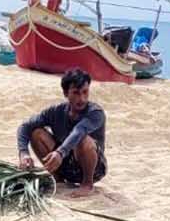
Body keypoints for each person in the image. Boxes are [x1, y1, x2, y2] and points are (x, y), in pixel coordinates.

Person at [15, 68, 106, 197]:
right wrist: (23, 153)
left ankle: (87, 184)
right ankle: (57, 179)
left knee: (83, 139)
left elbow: (78, 131)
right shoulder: (56, 111)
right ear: (65, 93)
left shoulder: (95, 112)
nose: (82, 98)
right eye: (76, 93)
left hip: (93, 168)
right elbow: (25, 126)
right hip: (64, 164)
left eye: (85, 92)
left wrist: (59, 152)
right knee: (36, 133)